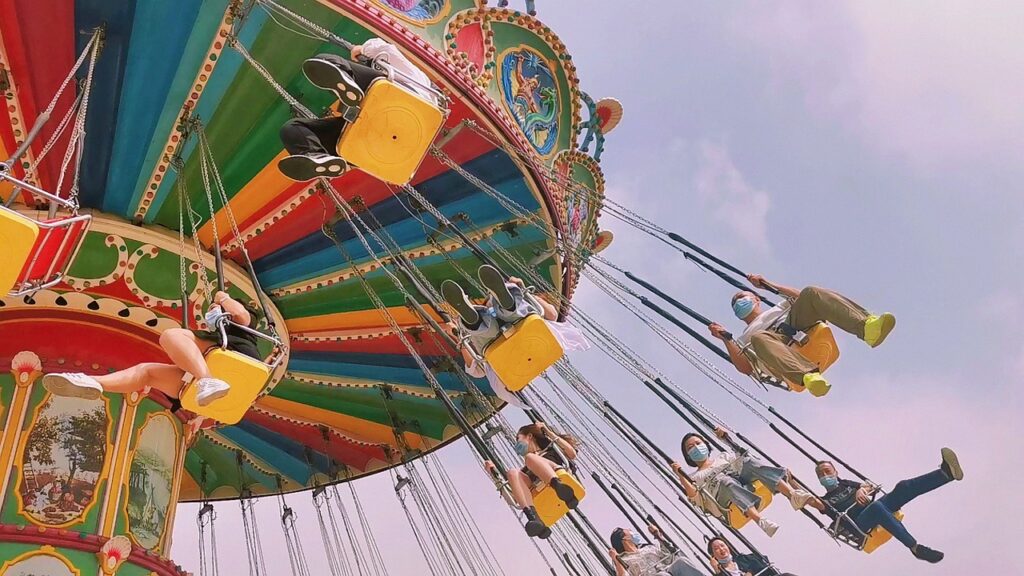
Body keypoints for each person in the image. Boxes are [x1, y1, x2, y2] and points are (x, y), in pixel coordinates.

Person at [42, 291, 261, 407]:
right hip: (212, 385)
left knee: (171, 336)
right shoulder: (215, 337)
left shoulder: (244, 325)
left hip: (237, 358)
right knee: (147, 372)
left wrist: (222, 298)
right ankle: (92, 381)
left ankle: (206, 380)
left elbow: (241, 314)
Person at [707, 274, 896, 397]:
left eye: (742, 298)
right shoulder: (743, 338)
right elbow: (746, 368)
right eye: (735, 304)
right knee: (759, 338)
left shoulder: (780, 307)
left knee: (811, 292)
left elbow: (802, 298)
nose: (739, 302)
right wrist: (726, 338)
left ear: (756, 299)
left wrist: (768, 285)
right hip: (776, 348)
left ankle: (867, 329)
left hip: (797, 328)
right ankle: (807, 376)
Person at [277, 38, 436, 182]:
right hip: (389, 138)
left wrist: (361, 48)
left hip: (395, 102)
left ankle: (347, 81)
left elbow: (388, 50)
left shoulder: (421, 81)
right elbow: (388, 52)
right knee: (290, 128)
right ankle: (319, 157)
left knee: (323, 61)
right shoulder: (426, 91)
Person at [442, 264, 589, 404]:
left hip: (500, 341)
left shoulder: (503, 373)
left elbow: (476, 368)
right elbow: (551, 314)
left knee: (488, 328)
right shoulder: (505, 375)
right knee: (506, 319)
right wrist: (525, 292)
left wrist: (459, 337)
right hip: (512, 333)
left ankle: (477, 317)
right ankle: (500, 308)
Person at [808, 449, 963, 564]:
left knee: (903, 487)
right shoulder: (825, 501)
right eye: (821, 475)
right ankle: (915, 548)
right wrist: (787, 480)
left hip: (875, 508)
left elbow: (868, 486)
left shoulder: (846, 483)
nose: (825, 476)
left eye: (827, 471)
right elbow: (806, 499)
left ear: (836, 472)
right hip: (860, 524)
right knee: (876, 507)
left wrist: (862, 490)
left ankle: (945, 474)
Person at [671, 428, 815, 537]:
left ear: (705, 444)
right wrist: (681, 476)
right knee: (725, 481)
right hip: (723, 500)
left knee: (748, 461)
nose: (696, 447)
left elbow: (742, 459)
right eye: (690, 447)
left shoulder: (724, 456)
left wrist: (727, 440)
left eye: (698, 443)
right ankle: (760, 520)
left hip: (740, 482)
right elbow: (694, 497)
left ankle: (792, 494)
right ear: (687, 455)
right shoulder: (694, 477)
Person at [485, 422, 578, 539]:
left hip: (558, 474)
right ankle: (532, 516)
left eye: (518, 439)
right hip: (539, 492)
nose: (517, 444)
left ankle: (558, 485)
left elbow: (571, 453)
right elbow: (513, 498)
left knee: (530, 458)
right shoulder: (525, 471)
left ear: (529, 436)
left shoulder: (551, 449)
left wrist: (547, 430)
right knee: (512, 473)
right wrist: (494, 475)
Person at [608, 526, 704, 576]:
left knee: (681, 562)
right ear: (625, 538)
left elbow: (670, 558)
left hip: (667, 570)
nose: (634, 533)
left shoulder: (648, 548)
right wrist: (616, 559)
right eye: (630, 532)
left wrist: (658, 536)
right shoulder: (624, 560)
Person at [707, 537, 795, 576]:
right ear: (713, 555)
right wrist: (716, 570)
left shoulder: (743, 558)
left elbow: (762, 562)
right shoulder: (721, 573)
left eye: (722, 545)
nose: (721, 549)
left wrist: (750, 573)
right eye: (716, 548)